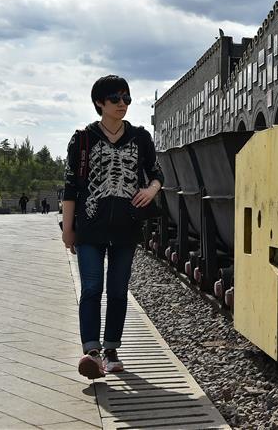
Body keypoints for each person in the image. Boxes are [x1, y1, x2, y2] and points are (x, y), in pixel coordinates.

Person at [61, 75, 164, 379]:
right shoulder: (83, 139)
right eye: (116, 99)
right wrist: (68, 229)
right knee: (92, 288)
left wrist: (152, 189)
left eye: (127, 99)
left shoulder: (141, 138)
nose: (123, 104)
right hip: (90, 226)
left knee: (118, 291)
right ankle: (91, 353)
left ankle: (112, 349)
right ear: (99, 103)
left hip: (126, 226)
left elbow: (156, 172)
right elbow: (71, 187)